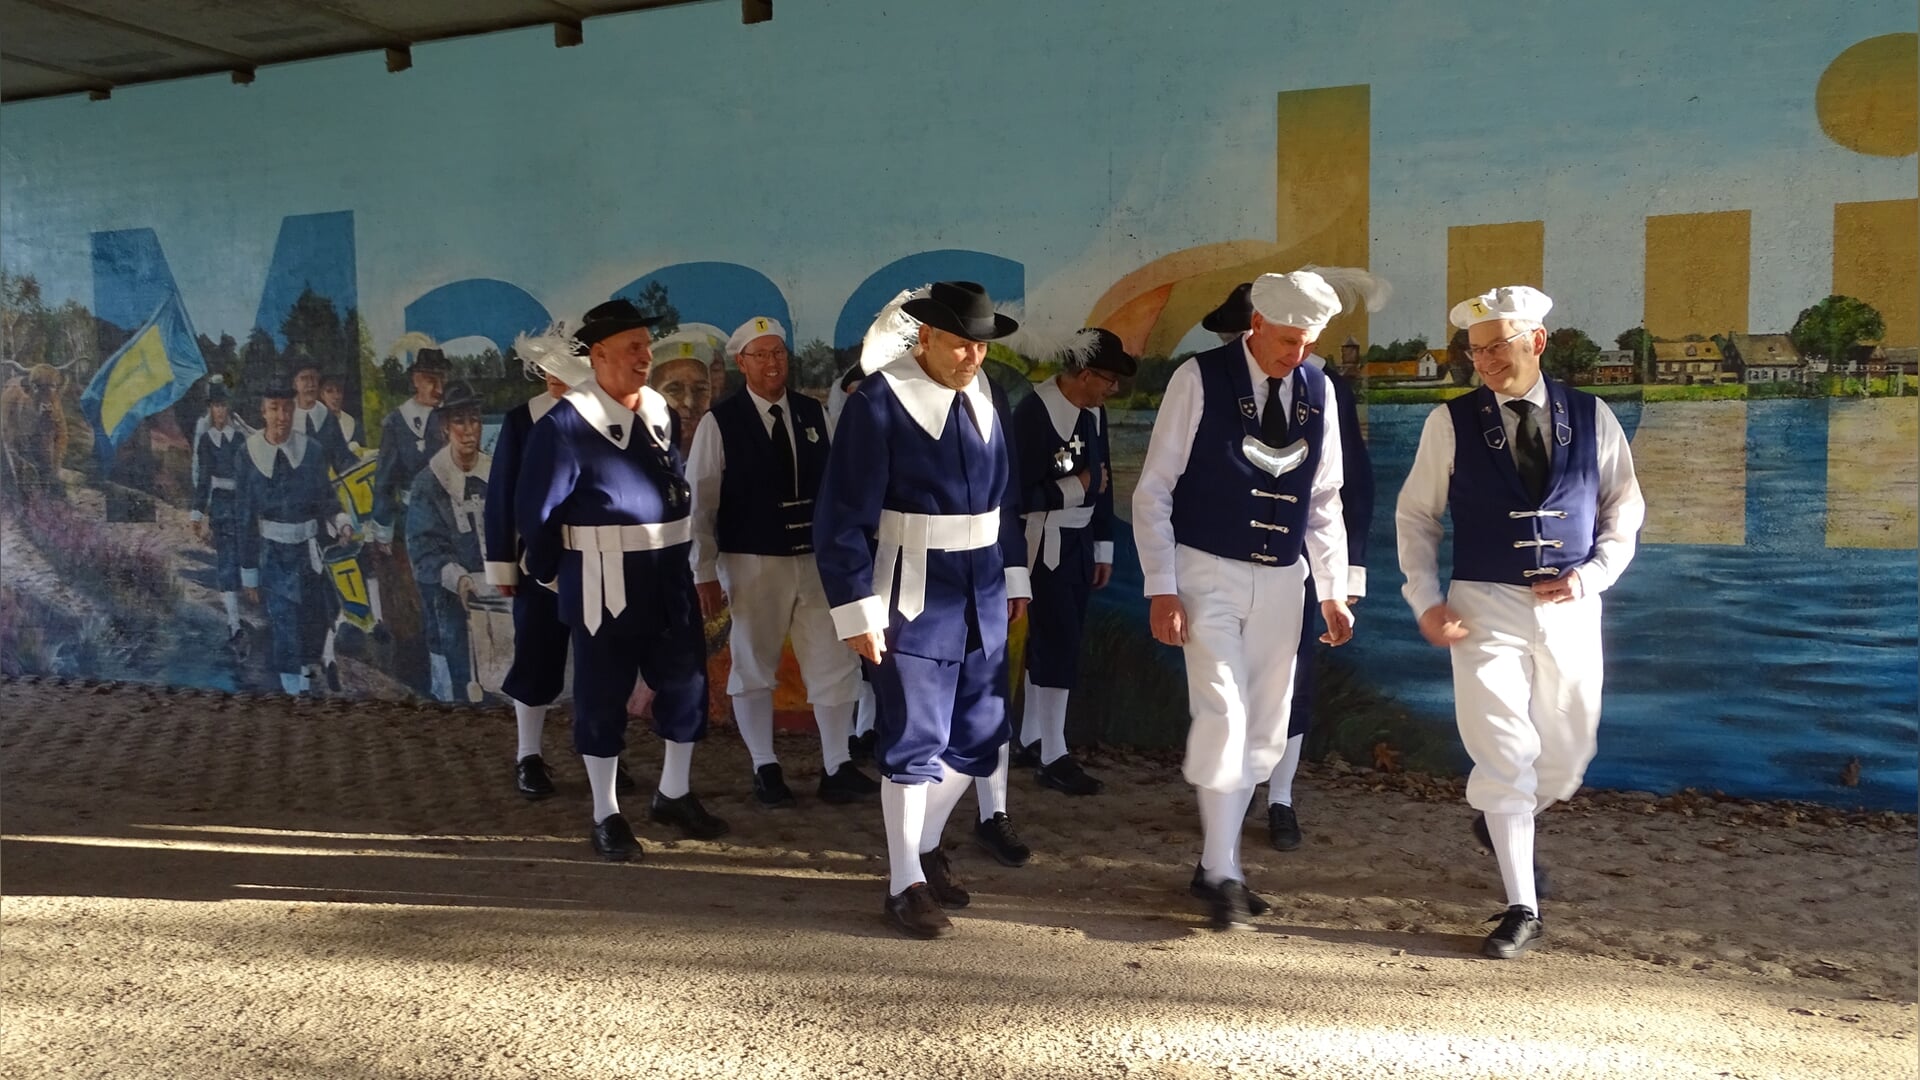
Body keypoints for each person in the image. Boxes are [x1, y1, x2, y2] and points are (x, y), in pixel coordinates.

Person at [1395, 285, 1644, 959]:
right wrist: (1425, 599)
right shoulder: (1449, 423)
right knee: (1504, 752)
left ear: (1536, 341)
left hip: (1571, 607)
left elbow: (1624, 509)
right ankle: (1521, 906)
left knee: (1565, 758)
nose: (1484, 362)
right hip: (1482, 603)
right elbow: (1416, 517)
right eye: (1474, 351)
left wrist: (1593, 575)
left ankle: (1506, 819)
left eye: (1496, 347)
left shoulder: (1591, 417)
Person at [1132, 270, 1357, 931]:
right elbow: (1154, 490)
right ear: (1256, 324)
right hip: (1207, 572)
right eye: (1288, 340)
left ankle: (1214, 867)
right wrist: (1161, 586)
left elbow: (1324, 500)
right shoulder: (1198, 378)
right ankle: (1224, 871)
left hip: (1284, 580)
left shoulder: (1319, 388)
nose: (1298, 354)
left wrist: (1334, 591)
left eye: (1309, 343)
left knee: (1263, 729)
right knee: (1224, 716)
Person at [815, 281, 1031, 939]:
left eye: (982, 346)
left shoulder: (987, 397)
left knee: (981, 735)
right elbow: (841, 518)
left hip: (982, 589)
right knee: (914, 741)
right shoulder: (877, 403)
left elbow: (1007, 500)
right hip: (910, 594)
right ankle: (904, 883)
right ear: (926, 337)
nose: (973, 357)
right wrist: (858, 610)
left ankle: (924, 846)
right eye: (961, 343)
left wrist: (1014, 575)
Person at [517, 299, 726, 860]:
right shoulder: (564, 426)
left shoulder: (658, 411)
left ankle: (673, 793)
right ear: (599, 355)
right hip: (604, 585)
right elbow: (536, 515)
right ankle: (606, 813)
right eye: (633, 347)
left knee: (686, 684)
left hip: (669, 577)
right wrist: (560, 578)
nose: (644, 356)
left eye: (646, 345)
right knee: (602, 696)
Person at [1199, 281, 1375, 851]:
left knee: (1291, 682)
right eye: (1229, 335)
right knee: (1226, 685)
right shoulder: (1211, 382)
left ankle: (1280, 796)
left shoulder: (1323, 388)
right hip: (1223, 563)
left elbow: (1347, 489)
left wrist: (1344, 577)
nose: (1235, 343)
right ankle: (1232, 794)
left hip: (1296, 562)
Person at [688, 316, 880, 809]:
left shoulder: (813, 414)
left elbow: (837, 487)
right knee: (754, 662)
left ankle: (837, 764)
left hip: (816, 561)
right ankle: (764, 766)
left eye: (778, 353)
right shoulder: (719, 422)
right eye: (761, 355)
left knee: (834, 659)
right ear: (742, 363)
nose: (772, 363)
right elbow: (700, 504)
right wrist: (703, 570)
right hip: (752, 560)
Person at [1006, 327, 1133, 797]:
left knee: (1061, 638)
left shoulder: (1093, 411)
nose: (1111, 390)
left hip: (1078, 541)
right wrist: (1075, 488)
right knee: (1055, 641)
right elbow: (1015, 495)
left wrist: (1103, 546)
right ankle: (1054, 754)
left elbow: (1103, 480)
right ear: (1083, 375)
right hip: (1041, 543)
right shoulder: (1033, 414)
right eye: (1108, 380)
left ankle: (1033, 737)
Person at [487, 328, 592, 798]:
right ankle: (528, 755)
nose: (553, 374)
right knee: (535, 660)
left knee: (599, 665)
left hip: (601, 564)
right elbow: (502, 496)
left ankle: (600, 751)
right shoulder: (522, 420)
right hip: (539, 568)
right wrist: (503, 565)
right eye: (546, 365)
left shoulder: (609, 416)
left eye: (563, 365)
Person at [236, 368, 339, 696]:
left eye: (287, 408)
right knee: (284, 625)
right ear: (263, 412)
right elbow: (245, 517)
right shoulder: (248, 455)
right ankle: (294, 695)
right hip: (274, 556)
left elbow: (327, 499)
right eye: (274, 409)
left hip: (309, 555)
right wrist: (249, 574)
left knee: (314, 622)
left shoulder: (312, 451)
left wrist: (342, 521)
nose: (281, 417)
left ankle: (306, 682)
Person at [405, 382, 491, 703]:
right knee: (461, 688)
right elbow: (423, 550)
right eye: (459, 422)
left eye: (474, 420)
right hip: (451, 601)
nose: (469, 430)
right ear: (445, 428)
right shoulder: (429, 483)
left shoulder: (496, 474)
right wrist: (459, 579)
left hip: (497, 598)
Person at [190, 377, 251, 654]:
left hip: (242, 504)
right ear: (210, 409)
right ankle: (234, 624)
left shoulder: (239, 439)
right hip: (221, 506)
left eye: (223, 405)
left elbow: (248, 475)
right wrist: (197, 512)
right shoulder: (206, 440)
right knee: (227, 562)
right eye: (215, 406)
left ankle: (253, 614)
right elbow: (203, 478)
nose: (220, 411)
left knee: (247, 558)